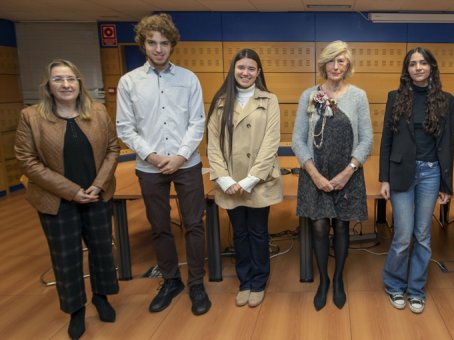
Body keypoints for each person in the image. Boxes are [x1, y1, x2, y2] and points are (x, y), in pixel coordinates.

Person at [14, 59, 119, 339]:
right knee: (66, 258)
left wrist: (98, 185)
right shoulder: (32, 117)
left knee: (102, 251)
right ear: (48, 85)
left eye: (71, 78)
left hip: (97, 196)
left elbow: (112, 149)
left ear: (79, 83)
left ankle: (101, 297)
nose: (65, 84)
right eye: (58, 79)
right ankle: (76, 310)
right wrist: (71, 191)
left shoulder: (97, 112)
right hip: (57, 202)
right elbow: (27, 161)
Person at [115, 13, 210, 316]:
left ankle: (196, 282)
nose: (158, 49)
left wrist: (180, 156)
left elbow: (197, 122)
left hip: (187, 163)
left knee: (194, 224)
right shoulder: (129, 82)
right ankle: (171, 280)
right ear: (142, 44)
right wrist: (153, 157)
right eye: (152, 43)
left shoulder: (188, 79)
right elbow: (125, 127)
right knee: (159, 227)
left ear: (172, 45)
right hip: (149, 167)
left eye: (164, 43)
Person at [291, 40, 373, 311]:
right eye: (331, 61)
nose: (336, 66)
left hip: (347, 174)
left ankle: (338, 279)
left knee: (340, 226)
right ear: (323, 64)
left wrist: (348, 172)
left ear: (348, 65)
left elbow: (367, 141)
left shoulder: (358, 96)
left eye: (341, 61)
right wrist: (313, 174)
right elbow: (298, 140)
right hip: (316, 173)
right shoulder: (309, 95)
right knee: (318, 226)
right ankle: (323, 281)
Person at [379, 47, 454, 314]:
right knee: (402, 235)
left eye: (423, 63)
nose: (418, 68)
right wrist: (384, 178)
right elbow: (386, 140)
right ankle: (393, 284)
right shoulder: (395, 98)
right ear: (407, 69)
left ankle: (415, 290)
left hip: (431, 173)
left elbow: (447, 144)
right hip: (401, 173)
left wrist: (447, 185)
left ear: (432, 67)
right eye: (413, 64)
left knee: (422, 235)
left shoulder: (446, 100)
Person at [207, 49, 283, 308]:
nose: (246, 73)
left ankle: (259, 281)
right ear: (233, 69)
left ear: (258, 72)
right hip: (229, 181)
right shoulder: (220, 101)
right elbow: (212, 146)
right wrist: (225, 180)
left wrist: (251, 179)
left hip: (257, 180)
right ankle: (245, 281)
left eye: (251, 68)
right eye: (241, 67)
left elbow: (271, 142)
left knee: (258, 232)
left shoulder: (269, 100)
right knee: (239, 233)